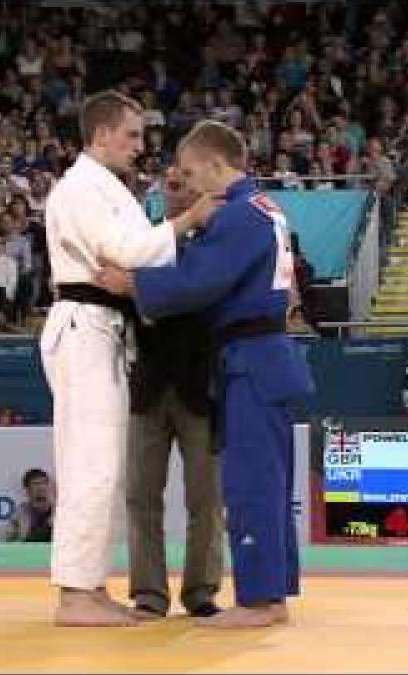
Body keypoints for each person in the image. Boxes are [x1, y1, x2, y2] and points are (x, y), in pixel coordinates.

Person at [95, 120, 312, 629]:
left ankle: (260, 601)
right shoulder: (266, 208)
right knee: (269, 482)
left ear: (217, 164)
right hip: (266, 357)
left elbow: (198, 282)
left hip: (250, 361)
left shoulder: (238, 215)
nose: (189, 183)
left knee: (251, 483)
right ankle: (272, 594)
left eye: (191, 172)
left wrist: (131, 283)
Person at [39, 90, 217, 627]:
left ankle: (89, 586)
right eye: (133, 135)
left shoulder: (109, 189)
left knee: (106, 466)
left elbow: (144, 247)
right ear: (101, 135)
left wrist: (176, 223)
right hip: (84, 324)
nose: (141, 147)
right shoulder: (79, 189)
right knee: (90, 462)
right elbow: (134, 251)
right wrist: (191, 220)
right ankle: (74, 593)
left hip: (106, 329)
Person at [125, 166, 223, 621]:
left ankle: (201, 590)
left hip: (199, 387)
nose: (175, 189)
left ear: (201, 191)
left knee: (204, 496)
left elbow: (194, 301)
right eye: (169, 183)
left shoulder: (216, 247)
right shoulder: (144, 245)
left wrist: (154, 296)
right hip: (148, 385)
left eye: (183, 182)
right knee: (142, 495)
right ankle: (148, 592)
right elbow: (134, 301)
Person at [7, 468, 55, 543]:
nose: (41, 487)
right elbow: (11, 543)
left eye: (44, 483)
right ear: (27, 489)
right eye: (36, 484)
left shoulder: (59, 510)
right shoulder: (20, 513)